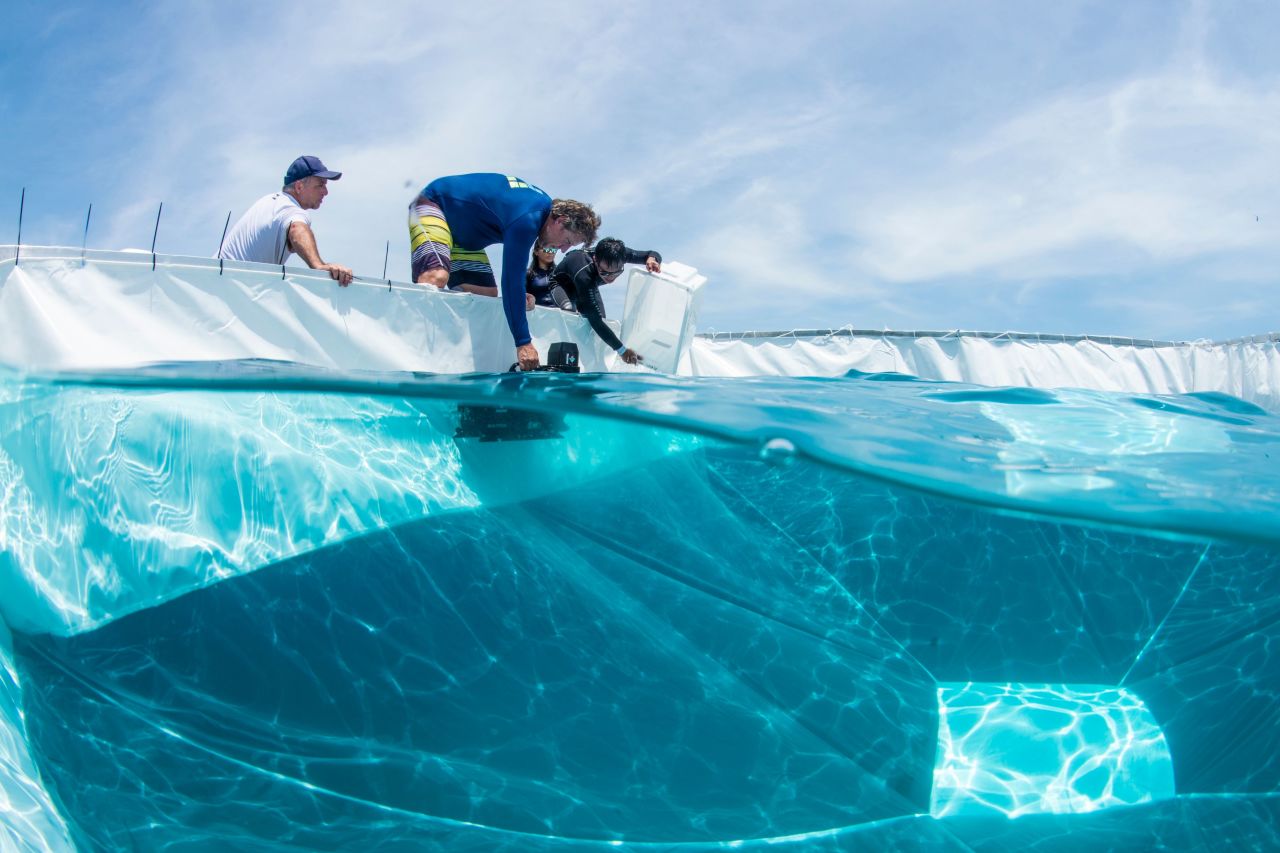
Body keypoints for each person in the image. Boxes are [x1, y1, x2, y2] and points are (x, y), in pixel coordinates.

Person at [408, 173, 599, 370]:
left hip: (463, 239)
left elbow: (511, 287)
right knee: (436, 277)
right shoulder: (528, 218)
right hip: (433, 204)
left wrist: (516, 296)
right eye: (567, 241)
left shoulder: (540, 211)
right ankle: (414, 358)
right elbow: (511, 281)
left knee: (487, 296)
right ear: (560, 221)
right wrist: (523, 343)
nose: (562, 250)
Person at [219, 156, 353, 286]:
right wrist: (319, 266)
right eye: (320, 185)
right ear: (299, 187)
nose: (326, 192)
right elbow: (296, 229)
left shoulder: (271, 202)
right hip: (232, 288)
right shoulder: (291, 209)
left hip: (216, 285)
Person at [549, 237, 661, 365]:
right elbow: (595, 321)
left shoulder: (621, 254)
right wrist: (623, 351)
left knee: (603, 321)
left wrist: (652, 260)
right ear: (596, 260)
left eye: (617, 272)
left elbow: (652, 254)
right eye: (605, 273)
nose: (611, 278)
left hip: (589, 287)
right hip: (562, 286)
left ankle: (593, 361)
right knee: (570, 312)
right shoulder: (583, 273)